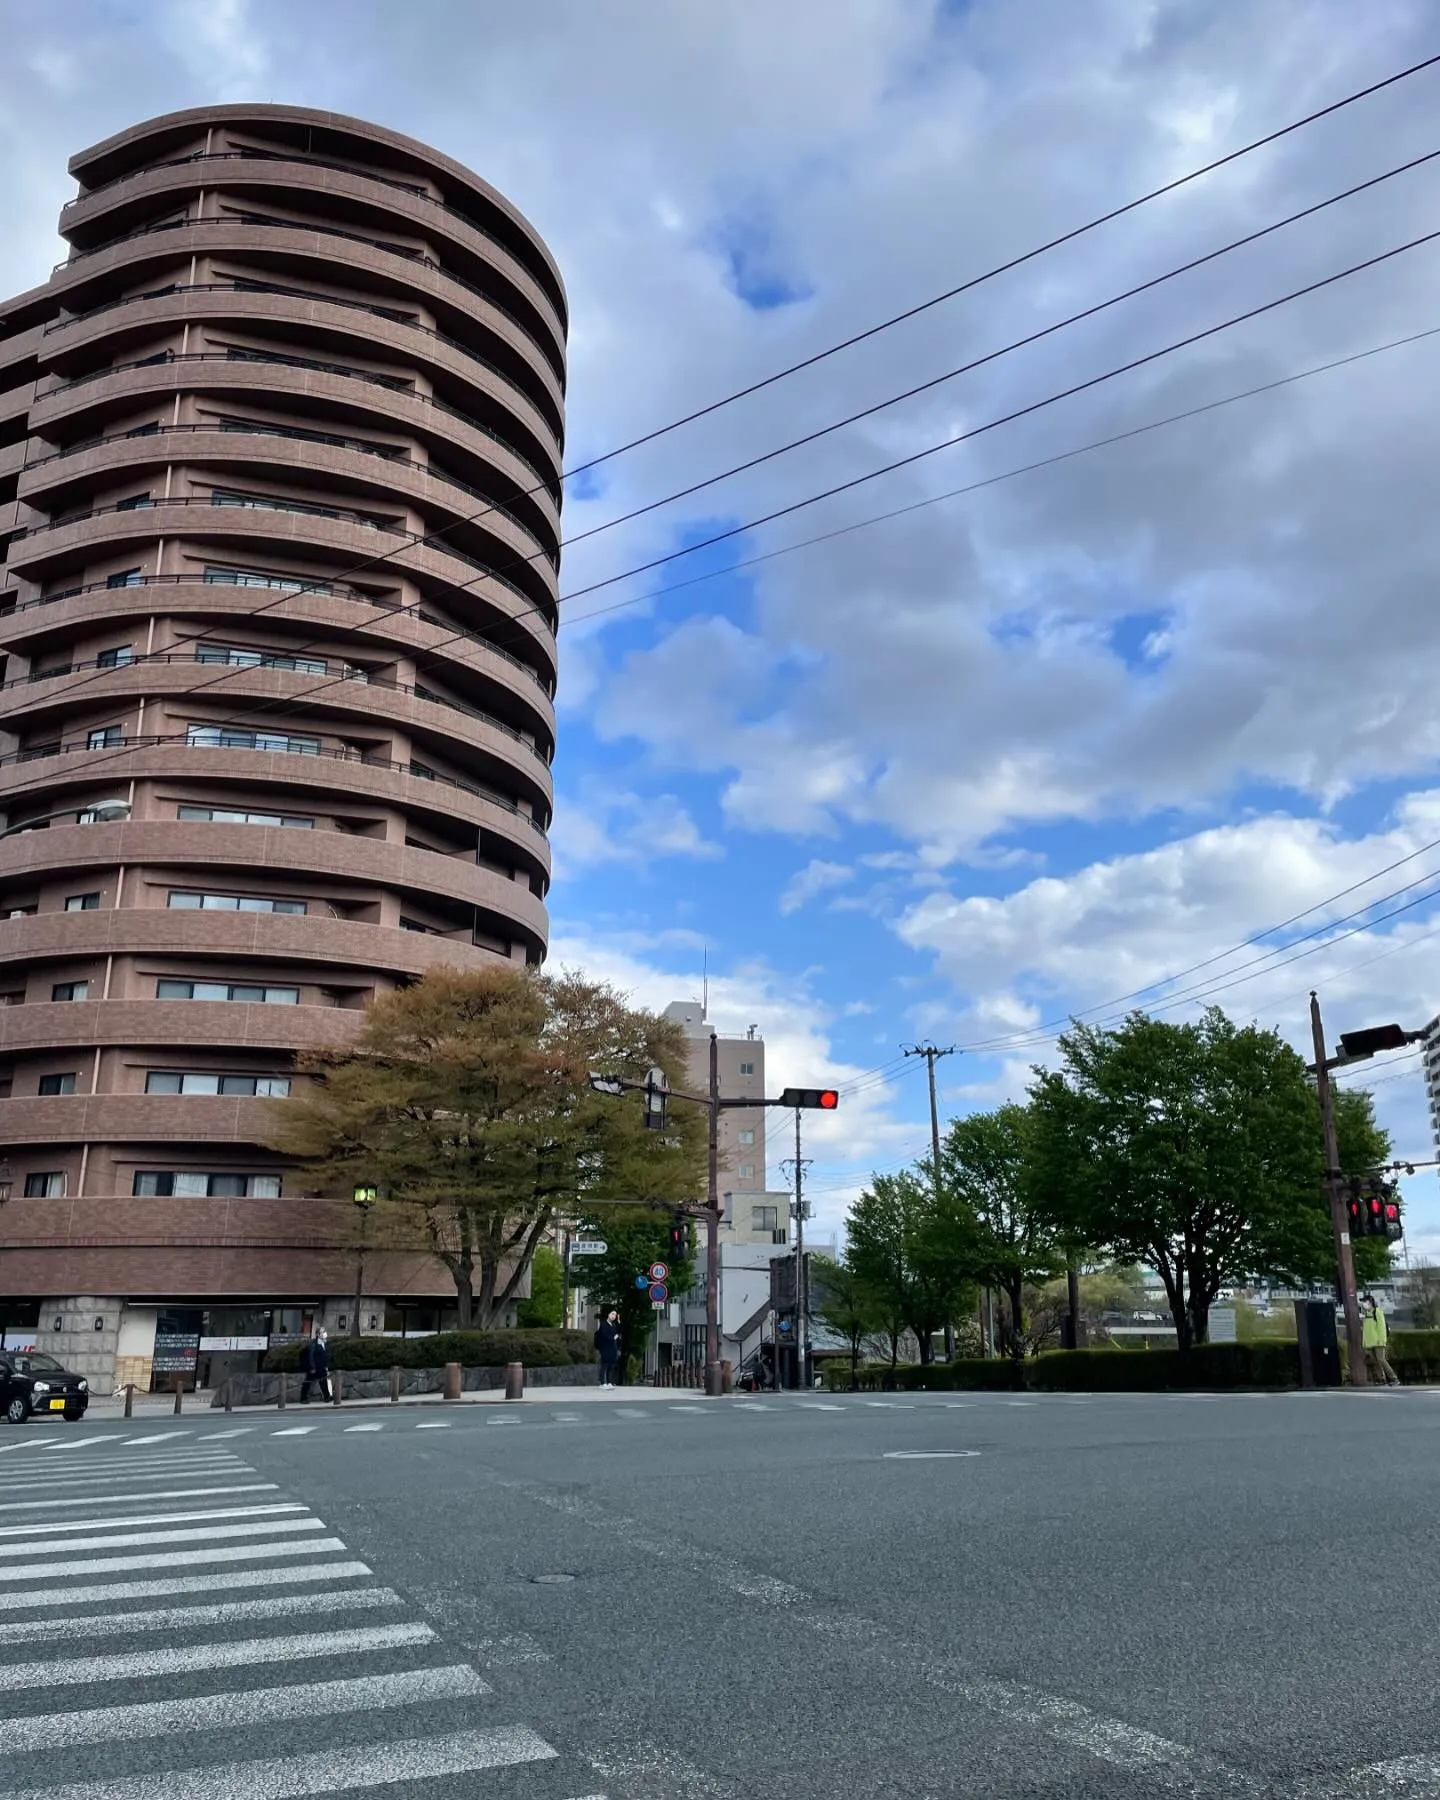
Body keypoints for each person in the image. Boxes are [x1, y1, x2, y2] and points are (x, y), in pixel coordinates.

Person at [1362, 1293, 1400, 1386]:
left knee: (1381, 1360)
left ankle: (1394, 1378)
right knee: (1375, 1362)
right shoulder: (1367, 1314)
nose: (1363, 1304)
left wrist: (1382, 1340)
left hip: (1378, 1341)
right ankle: (1381, 1379)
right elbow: (1366, 1330)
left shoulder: (1377, 1312)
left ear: (1370, 1302)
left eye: (1365, 1302)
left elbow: (1381, 1328)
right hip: (1370, 1343)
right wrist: (1364, 1343)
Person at [300, 1328, 332, 1403]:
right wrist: (312, 1367)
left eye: (325, 1331)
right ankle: (303, 1398)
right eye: (322, 1332)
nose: (324, 1333)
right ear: (318, 1334)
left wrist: (327, 1365)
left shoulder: (325, 1343)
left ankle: (327, 1397)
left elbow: (326, 1355)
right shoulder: (313, 1344)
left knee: (323, 1382)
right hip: (314, 1367)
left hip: (322, 1367)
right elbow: (310, 1356)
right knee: (308, 1383)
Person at [594, 1310, 622, 1389]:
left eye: (615, 1315)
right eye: (612, 1314)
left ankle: (610, 1382)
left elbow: (618, 1331)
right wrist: (613, 1338)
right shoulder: (603, 1324)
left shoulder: (613, 1325)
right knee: (604, 1365)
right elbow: (603, 1335)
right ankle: (602, 1382)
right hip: (605, 1347)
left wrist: (619, 1322)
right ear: (608, 1314)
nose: (613, 1316)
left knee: (611, 1365)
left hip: (612, 1348)